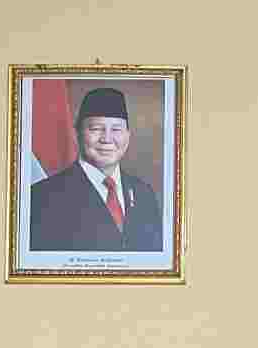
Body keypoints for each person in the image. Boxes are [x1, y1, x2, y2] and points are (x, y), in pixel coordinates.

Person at [28, 85, 164, 252]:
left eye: (116, 129)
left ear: (128, 135)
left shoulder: (144, 194)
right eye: (96, 129)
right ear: (76, 134)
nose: (107, 138)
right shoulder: (42, 197)